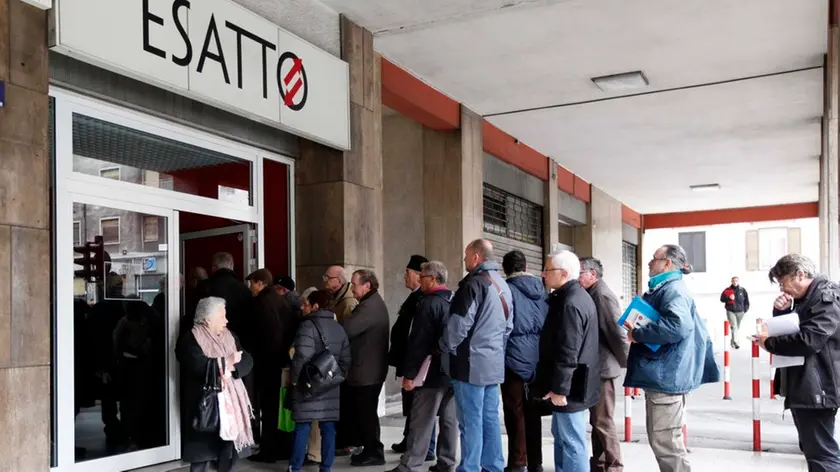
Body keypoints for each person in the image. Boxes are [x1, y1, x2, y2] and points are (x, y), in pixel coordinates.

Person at [624, 244, 719, 472]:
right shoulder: (667, 288)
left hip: (666, 376)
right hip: (665, 374)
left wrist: (639, 333)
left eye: (654, 259)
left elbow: (678, 325)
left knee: (666, 442)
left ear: (667, 263)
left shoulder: (673, 289)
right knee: (665, 440)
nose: (649, 263)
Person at [756, 254, 840, 471]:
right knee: (814, 450)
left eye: (783, 282)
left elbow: (810, 340)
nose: (782, 289)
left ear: (800, 275)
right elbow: (798, 328)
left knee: (822, 455)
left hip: (818, 387)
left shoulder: (825, 298)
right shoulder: (809, 299)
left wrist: (770, 343)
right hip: (809, 386)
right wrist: (782, 312)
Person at [441, 239, 512, 472]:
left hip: (469, 366)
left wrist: (446, 346)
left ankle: (470, 467)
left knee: (470, 421)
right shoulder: (502, 285)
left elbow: (458, 325)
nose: (463, 260)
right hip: (493, 364)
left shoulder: (473, 286)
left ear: (476, 258)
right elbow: (508, 327)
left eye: (466, 255)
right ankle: (493, 466)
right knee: (490, 419)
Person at [533, 250, 600, 472]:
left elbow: (568, 350)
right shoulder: (572, 297)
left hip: (570, 387)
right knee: (563, 438)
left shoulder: (570, 303)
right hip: (572, 383)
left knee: (571, 442)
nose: (543, 274)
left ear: (563, 273)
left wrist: (561, 389)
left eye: (547, 269)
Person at [389, 261, 459, 472]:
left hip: (430, 372)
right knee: (449, 420)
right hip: (452, 370)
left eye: (423, 278)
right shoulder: (454, 299)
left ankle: (410, 465)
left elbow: (419, 342)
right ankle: (446, 463)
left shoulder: (428, 303)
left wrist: (409, 375)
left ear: (433, 279)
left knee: (421, 419)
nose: (420, 281)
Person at [176, 297, 255, 472]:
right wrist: (226, 362)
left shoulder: (229, 336)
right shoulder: (191, 338)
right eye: (222, 317)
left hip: (230, 408)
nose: (226, 321)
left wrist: (232, 368)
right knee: (202, 455)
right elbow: (197, 364)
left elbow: (247, 358)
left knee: (227, 453)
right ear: (207, 319)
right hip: (205, 406)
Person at [288, 290, 352, 472]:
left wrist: (294, 381)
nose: (303, 307)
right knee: (329, 429)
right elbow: (346, 359)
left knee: (301, 427)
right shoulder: (338, 327)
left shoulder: (307, 326)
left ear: (315, 306)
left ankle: (295, 467)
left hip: (306, 385)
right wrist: (335, 378)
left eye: (306, 304)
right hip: (330, 386)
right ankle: (326, 468)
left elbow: (301, 356)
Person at [579, 257, 629, 472]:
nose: (577, 277)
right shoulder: (593, 293)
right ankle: (599, 464)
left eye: (580, 272)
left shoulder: (602, 295)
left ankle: (614, 465)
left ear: (593, 274)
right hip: (596, 367)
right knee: (597, 420)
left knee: (603, 420)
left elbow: (616, 332)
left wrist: (628, 361)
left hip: (604, 368)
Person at [500, 250, 547, 472]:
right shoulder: (542, 290)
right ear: (526, 267)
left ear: (505, 269)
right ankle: (535, 462)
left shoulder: (505, 291)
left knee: (514, 411)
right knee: (532, 410)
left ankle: (518, 462)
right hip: (537, 359)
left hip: (513, 359)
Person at [245, 269, 299, 464]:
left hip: (267, 362)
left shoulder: (260, 304)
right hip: (282, 362)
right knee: (280, 407)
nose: (250, 287)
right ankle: (282, 448)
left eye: (252, 283)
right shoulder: (281, 301)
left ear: (260, 283)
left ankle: (268, 450)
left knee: (268, 408)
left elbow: (264, 336)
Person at [340, 269, 391, 466]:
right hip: (368, 369)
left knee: (366, 414)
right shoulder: (371, 303)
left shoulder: (369, 306)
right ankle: (370, 449)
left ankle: (374, 452)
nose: (352, 288)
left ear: (367, 285)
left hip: (366, 371)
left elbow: (347, 329)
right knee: (365, 412)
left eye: (354, 284)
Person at [390, 255, 437, 460]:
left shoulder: (423, 299)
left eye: (407, 273)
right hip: (408, 360)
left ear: (420, 276)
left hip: (417, 363)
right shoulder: (416, 297)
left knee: (422, 406)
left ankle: (426, 447)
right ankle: (410, 438)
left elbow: (416, 335)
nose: (404, 277)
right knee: (412, 404)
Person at [720, 276, 750, 349]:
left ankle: (732, 341)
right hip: (731, 311)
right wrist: (728, 298)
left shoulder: (742, 290)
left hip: (740, 312)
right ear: (731, 281)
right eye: (733, 280)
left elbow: (747, 301)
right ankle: (736, 342)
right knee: (734, 326)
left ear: (738, 281)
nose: (735, 282)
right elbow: (721, 299)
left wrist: (744, 310)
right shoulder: (727, 290)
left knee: (736, 327)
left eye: (736, 280)